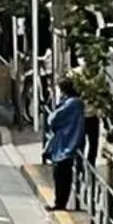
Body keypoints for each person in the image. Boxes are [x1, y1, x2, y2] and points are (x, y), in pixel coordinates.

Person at [42, 78, 86, 212]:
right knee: (62, 175)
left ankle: (60, 203)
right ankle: (60, 202)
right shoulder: (75, 103)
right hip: (68, 142)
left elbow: (53, 119)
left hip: (66, 144)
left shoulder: (71, 103)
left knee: (61, 176)